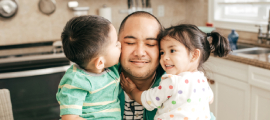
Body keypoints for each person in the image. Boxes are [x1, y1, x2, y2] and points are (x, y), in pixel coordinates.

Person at [120, 24, 230, 120]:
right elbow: (210, 99)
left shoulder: (172, 81)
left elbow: (148, 100)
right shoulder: (202, 80)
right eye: (162, 52)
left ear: (194, 55)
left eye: (172, 51)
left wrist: (133, 91)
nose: (165, 57)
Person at [56, 15, 121, 120]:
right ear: (100, 62)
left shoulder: (109, 67)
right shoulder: (76, 81)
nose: (120, 44)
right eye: (115, 44)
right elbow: (70, 118)